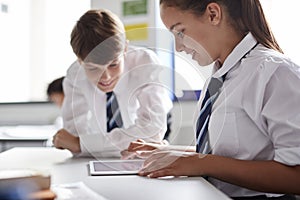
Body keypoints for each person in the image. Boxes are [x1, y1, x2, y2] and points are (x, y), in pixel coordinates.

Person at [124, 0, 300, 199]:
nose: (178, 47)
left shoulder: (275, 74)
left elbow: (296, 175)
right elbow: (233, 153)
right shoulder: (218, 78)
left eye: (180, 32)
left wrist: (200, 162)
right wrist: (170, 151)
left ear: (213, 14)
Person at [52, 9, 173, 158]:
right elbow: (72, 139)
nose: (106, 77)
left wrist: (85, 144)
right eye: (93, 68)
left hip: (159, 129)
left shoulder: (145, 63)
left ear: (125, 49)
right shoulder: (75, 75)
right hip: (106, 156)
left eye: (113, 65)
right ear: (80, 61)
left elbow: (152, 132)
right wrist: (83, 144)